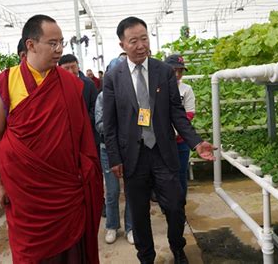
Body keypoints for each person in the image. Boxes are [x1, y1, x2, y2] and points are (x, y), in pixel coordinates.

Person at [0, 15, 103, 263]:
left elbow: (83, 136)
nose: (59, 49)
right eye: (52, 43)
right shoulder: (5, 83)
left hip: (65, 190)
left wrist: (87, 172)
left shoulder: (69, 84)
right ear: (30, 45)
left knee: (71, 252)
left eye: (61, 42)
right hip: (25, 193)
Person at [102, 16, 215, 264]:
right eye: (134, 41)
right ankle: (146, 257)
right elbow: (109, 124)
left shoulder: (163, 71)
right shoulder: (113, 76)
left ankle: (178, 247)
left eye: (144, 38)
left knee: (175, 206)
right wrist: (114, 158)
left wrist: (196, 142)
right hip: (133, 156)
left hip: (163, 152)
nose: (141, 45)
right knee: (139, 214)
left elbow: (176, 112)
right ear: (122, 44)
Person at [95, 56, 133, 245]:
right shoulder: (102, 97)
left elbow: (143, 118)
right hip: (108, 149)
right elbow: (100, 125)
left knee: (132, 190)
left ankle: (131, 227)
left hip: (132, 148)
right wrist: (119, 126)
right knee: (112, 191)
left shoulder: (136, 93)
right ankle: (111, 226)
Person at [164, 55, 196, 199]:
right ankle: (168, 206)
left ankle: (180, 208)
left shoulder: (186, 89)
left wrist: (177, 130)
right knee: (165, 175)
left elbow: (189, 112)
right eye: (174, 70)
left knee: (180, 174)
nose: (177, 74)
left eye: (180, 71)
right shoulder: (157, 87)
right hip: (162, 140)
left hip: (181, 141)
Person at [58, 54, 99, 145]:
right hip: (66, 134)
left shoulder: (89, 84)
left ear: (78, 66)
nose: (71, 71)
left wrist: (81, 121)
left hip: (88, 131)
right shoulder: (57, 85)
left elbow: (95, 108)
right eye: (66, 68)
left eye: (73, 67)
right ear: (59, 69)